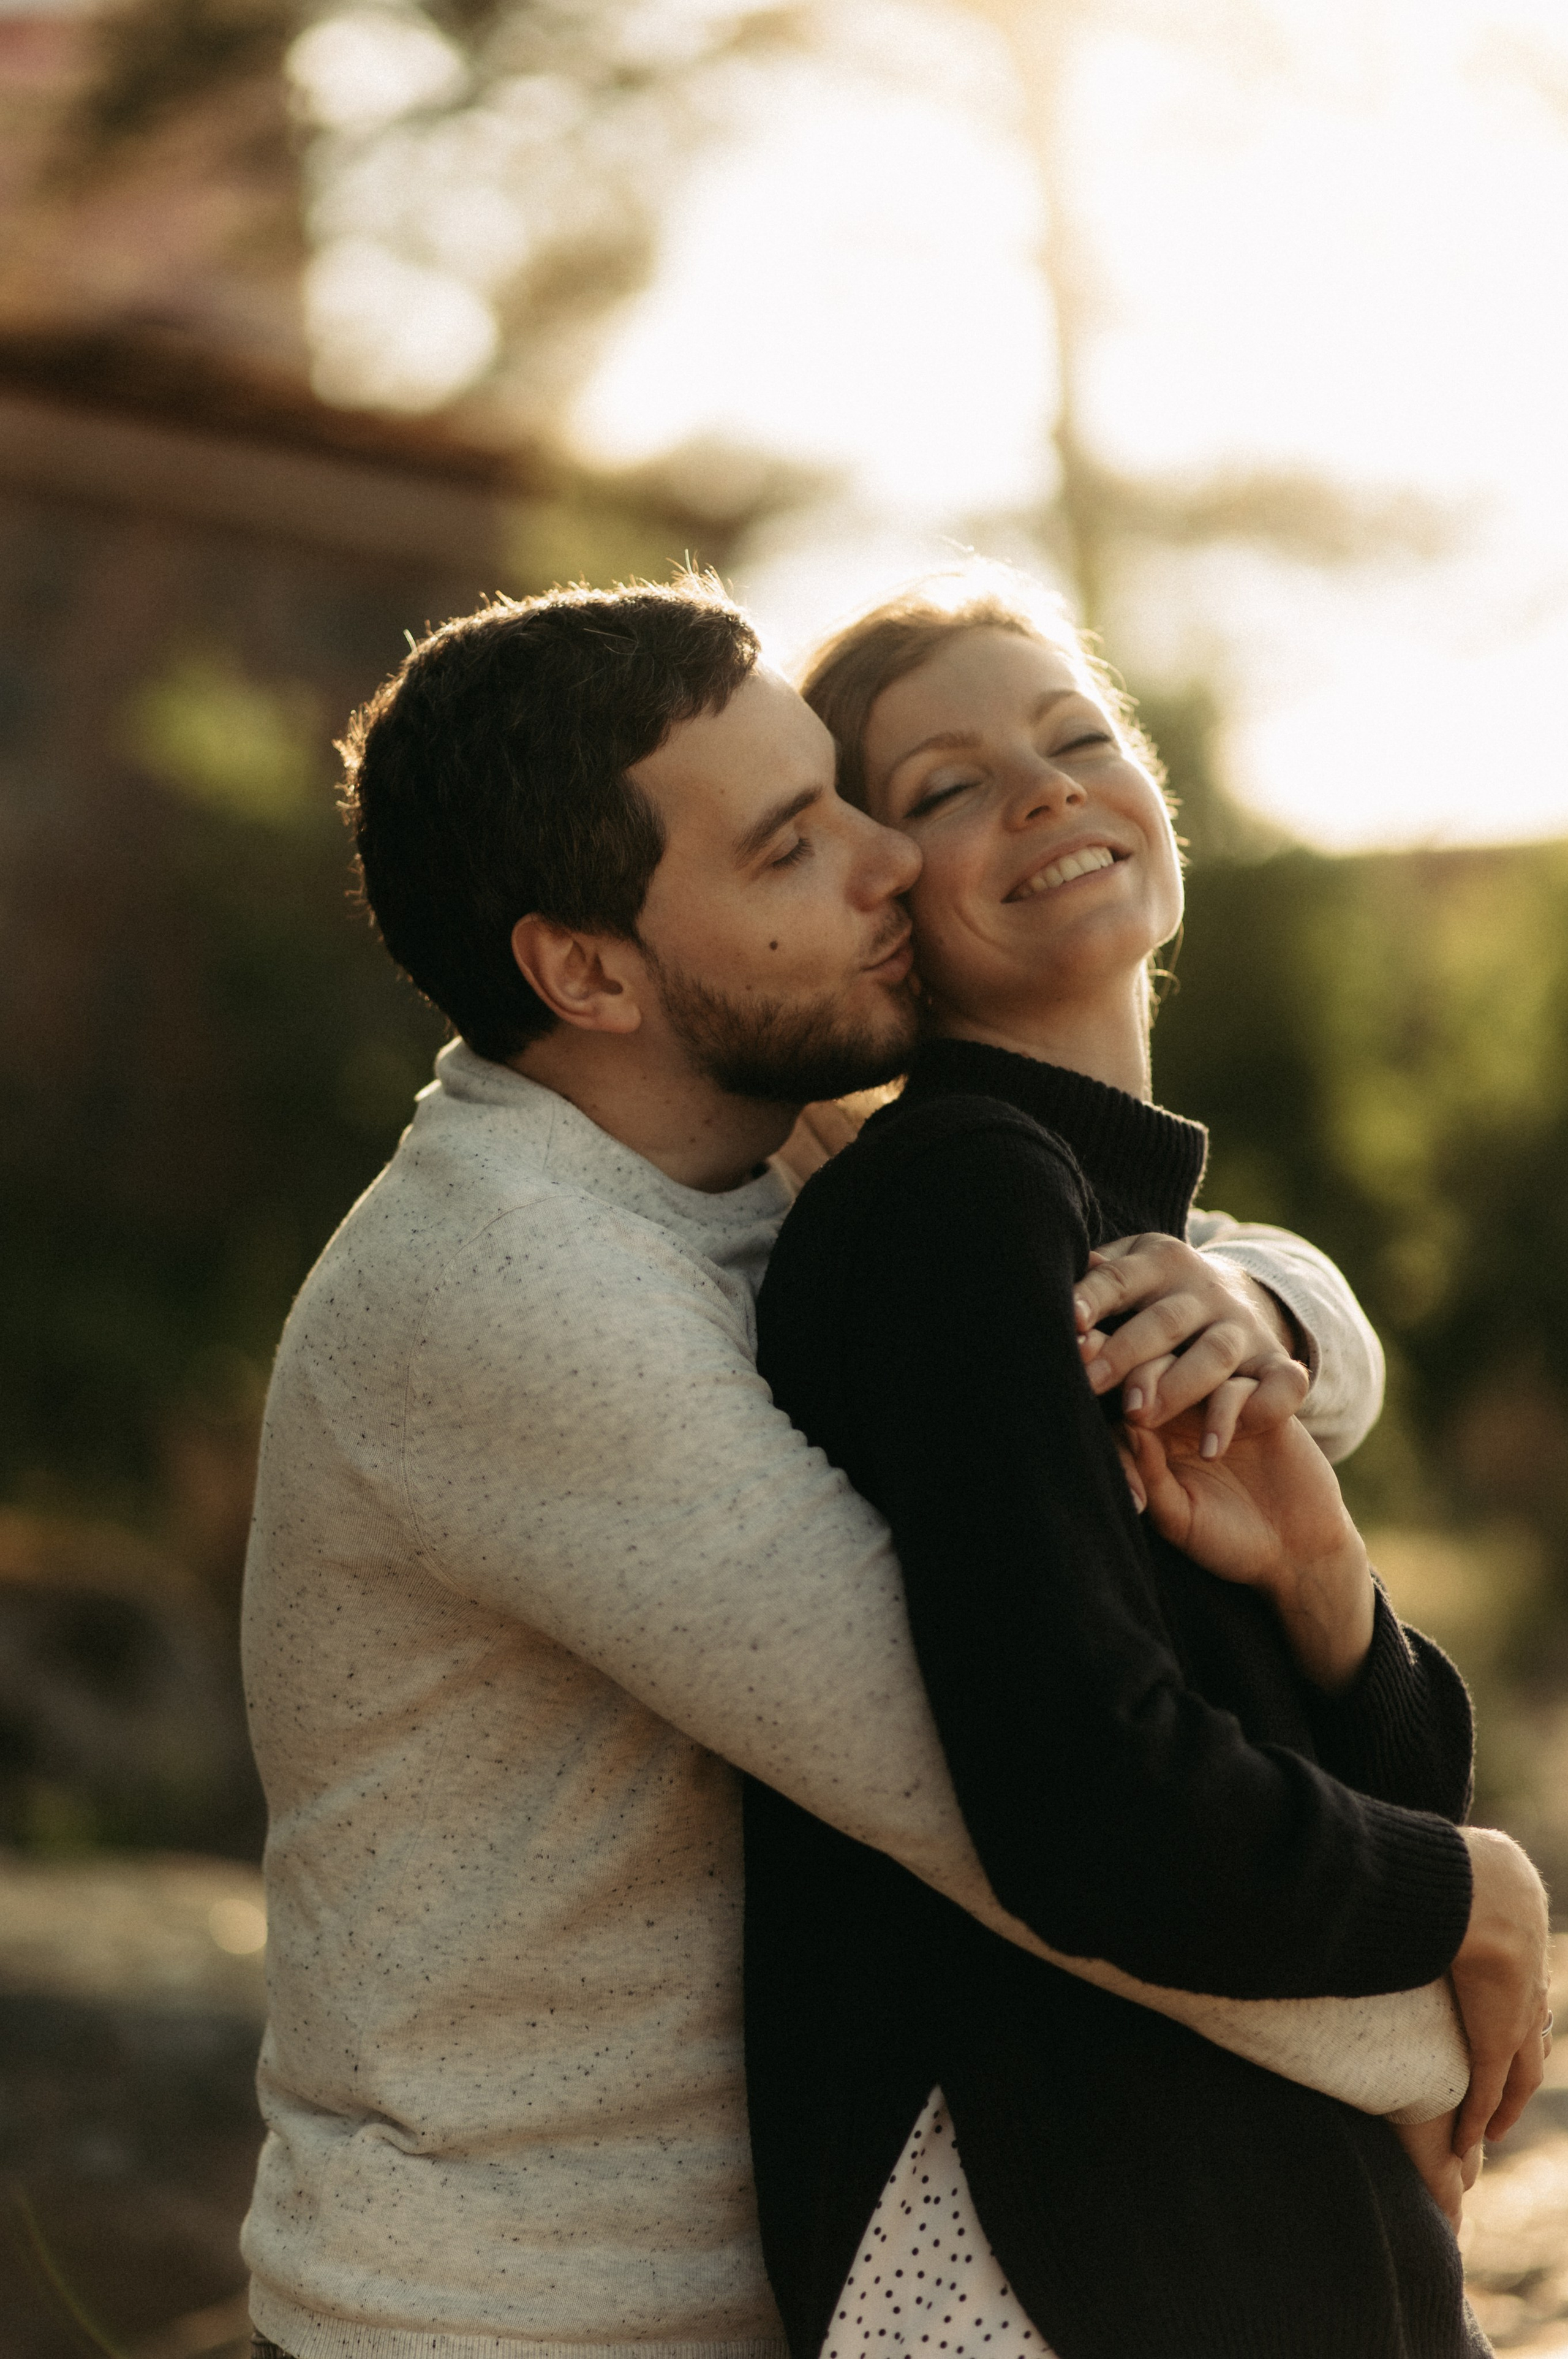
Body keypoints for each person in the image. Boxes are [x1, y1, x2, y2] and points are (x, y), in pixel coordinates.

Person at [238, 578, 1544, 2359]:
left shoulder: (766, 1147)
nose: (886, 862)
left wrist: (1261, 1315)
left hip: (795, 2277)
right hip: (516, 2313)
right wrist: (1445, 1974)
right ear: (590, 971)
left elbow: (1168, 1250)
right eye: (796, 841)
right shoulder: (509, 1291)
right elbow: (1016, 1793)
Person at [742, 569, 1553, 2359]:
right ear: (880, 901)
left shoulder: (1126, 1238)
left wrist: (1327, 1587)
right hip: (1055, 2238)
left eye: (1076, 736)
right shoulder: (962, 1201)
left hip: (1211, 2211)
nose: (1044, 789)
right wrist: (1462, 1890)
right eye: (948, 785)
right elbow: (1083, 1806)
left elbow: (1396, 1776)